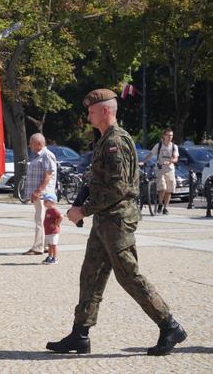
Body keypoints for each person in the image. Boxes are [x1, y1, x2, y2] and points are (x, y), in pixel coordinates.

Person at [47, 89, 187, 356]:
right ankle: (80, 334)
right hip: (105, 221)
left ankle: (170, 325)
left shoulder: (116, 142)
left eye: (91, 110)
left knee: (129, 277)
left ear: (105, 111)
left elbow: (117, 189)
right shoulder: (103, 140)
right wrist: (84, 204)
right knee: (90, 275)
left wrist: (83, 210)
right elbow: (98, 181)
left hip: (118, 222)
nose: (87, 115)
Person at [23, 133, 57, 256]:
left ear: (38, 144)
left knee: (40, 220)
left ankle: (38, 247)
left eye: (31, 143)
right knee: (42, 220)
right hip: (40, 194)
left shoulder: (46, 155)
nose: (29, 145)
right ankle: (45, 245)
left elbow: (48, 175)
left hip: (43, 194)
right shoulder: (39, 155)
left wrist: (38, 191)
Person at [142, 129, 179, 214]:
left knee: (169, 190)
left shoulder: (174, 146)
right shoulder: (158, 146)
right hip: (160, 169)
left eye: (171, 135)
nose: (170, 137)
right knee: (163, 188)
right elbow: (150, 154)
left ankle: (165, 208)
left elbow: (176, 158)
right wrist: (143, 161)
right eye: (168, 135)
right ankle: (160, 204)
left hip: (170, 169)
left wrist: (170, 161)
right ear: (164, 136)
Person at [42, 193, 62, 264]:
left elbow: (61, 216)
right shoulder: (48, 210)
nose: (44, 203)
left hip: (53, 231)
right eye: (44, 201)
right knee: (50, 245)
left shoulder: (54, 210)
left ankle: (55, 258)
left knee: (54, 245)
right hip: (48, 231)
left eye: (46, 201)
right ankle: (50, 257)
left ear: (52, 202)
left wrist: (56, 224)